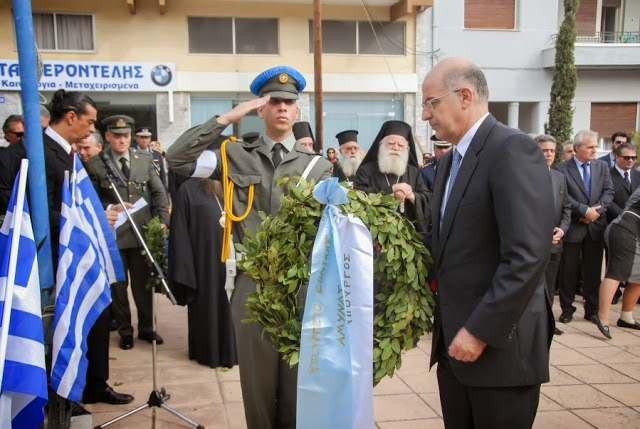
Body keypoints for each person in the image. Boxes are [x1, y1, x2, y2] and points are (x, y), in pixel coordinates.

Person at [166, 65, 332, 429]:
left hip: (299, 288)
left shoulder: (318, 167)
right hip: (251, 285)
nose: (282, 107)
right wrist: (227, 117)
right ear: (261, 108)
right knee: (256, 388)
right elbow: (177, 159)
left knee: (295, 386)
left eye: (289, 101)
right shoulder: (233, 155)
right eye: (274, 101)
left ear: (297, 110)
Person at [423, 57, 554, 428]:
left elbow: (527, 256)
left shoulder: (511, 150)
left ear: (464, 96)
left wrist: (479, 331)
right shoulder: (451, 162)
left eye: (430, 103)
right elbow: (450, 242)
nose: (425, 115)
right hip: (455, 349)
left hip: (498, 351)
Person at [85, 115, 170, 351]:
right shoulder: (96, 163)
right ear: (108, 137)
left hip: (141, 231)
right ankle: (125, 331)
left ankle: (146, 329)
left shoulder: (143, 158)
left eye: (126, 136)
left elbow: (158, 191)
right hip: (114, 233)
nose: (122, 140)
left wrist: (164, 219)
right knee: (118, 287)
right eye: (117, 136)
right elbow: (91, 199)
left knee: (143, 286)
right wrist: (109, 208)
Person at [169, 176, 238, 368]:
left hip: (236, 258)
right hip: (204, 263)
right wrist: (186, 270)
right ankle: (208, 352)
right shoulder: (188, 189)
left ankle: (236, 352)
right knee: (208, 305)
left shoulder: (235, 183)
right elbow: (179, 231)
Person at [555, 130, 614, 324]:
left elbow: (608, 191)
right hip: (574, 226)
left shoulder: (601, 167)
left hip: (595, 227)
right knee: (568, 271)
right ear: (577, 148)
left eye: (596, 147)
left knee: (593, 271)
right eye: (590, 147)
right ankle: (567, 308)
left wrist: (595, 212)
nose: (594, 151)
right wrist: (583, 211)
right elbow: (563, 196)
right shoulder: (563, 169)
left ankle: (592, 309)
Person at [353, 120, 431, 233]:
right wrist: (392, 190)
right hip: (374, 234)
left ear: (406, 149)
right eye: (391, 143)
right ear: (381, 145)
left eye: (400, 145)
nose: (395, 147)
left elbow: (427, 197)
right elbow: (358, 195)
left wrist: (411, 196)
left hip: (407, 235)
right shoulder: (366, 170)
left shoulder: (413, 171)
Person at [592, 187, 640, 339]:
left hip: (633, 232)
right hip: (624, 230)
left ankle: (626, 317)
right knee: (616, 272)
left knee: (638, 276)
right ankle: (602, 317)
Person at [536, 134, 571, 336]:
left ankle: (547, 322)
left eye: (551, 150)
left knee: (549, 285)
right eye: (544, 150)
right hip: (534, 243)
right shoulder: (525, 176)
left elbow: (567, 207)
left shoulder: (559, 177)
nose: (548, 154)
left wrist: (562, 229)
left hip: (555, 242)